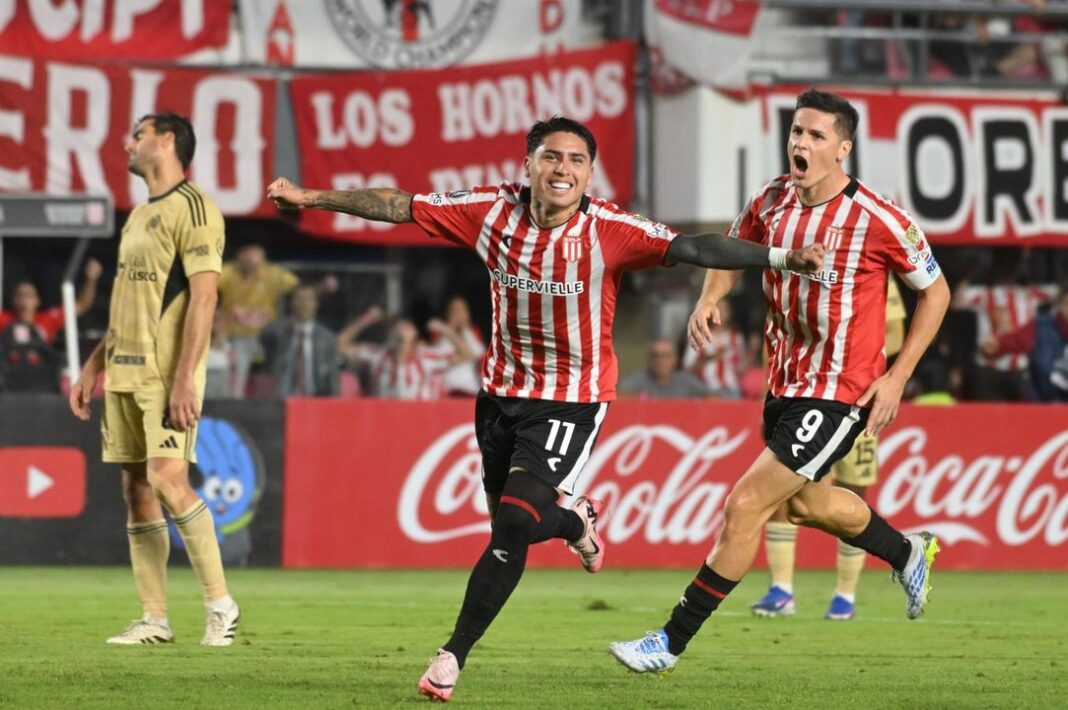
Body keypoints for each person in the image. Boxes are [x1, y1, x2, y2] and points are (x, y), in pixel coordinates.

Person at [267, 115, 824, 702]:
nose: (564, 170)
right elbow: (396, 203)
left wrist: (781, 257)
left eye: (577, 161)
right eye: (552, 158)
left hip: (571, 400)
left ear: (589, 173)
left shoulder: (610, 229)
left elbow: (693, 246)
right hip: (499, 396)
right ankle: (575, 521)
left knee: (512, 524)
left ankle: (451, 657)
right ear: (527, 165)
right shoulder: (488, 211)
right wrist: (311, 198)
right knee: (511, 529)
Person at [609, 89, 951, 674]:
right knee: (806, 506)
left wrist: (897, 379)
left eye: (817, 136)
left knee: (744, 505)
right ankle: (906, 551)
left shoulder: (878, 217)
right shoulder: (770, 198)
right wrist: (709, 300)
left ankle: (669, 641)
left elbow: (936, 291)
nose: (801, 143)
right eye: (797, 132)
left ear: (843, 149)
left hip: (841, 390)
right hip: (784, 385)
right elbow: (734, 251)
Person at [68, 112, 240, 646]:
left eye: (137, 134)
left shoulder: (195, 208)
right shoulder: (140, 214)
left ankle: (220, 606)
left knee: (168, 479)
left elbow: (205, 297)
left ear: (167, 141)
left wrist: (186, 377)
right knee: (136, 490)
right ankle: (155, 618)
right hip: (122, 370)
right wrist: (94, 365)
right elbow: (127, 301)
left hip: (166, 375)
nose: (128, 142)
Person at [750, 277, 907, 621]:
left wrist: (859, 353)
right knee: (784, 487)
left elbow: (895, 332)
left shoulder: (871, 269)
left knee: (854, 489)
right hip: (802, 400)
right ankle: (781, 589)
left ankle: (845, 595)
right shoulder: (797, 269)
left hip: (857, 397)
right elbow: (775, 336)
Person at [337, 306, 469, 400]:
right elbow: (340, 345)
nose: (401, 331)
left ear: (414, 334)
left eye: (406, 327)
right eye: (396, 328)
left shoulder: (425, 358)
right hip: (382, 422)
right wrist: (366, 319)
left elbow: (467, 355)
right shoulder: (377, 355)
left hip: (414, 423)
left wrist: (445, 330)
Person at [982, 286, 1068, 402]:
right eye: (1067, 303)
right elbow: (1011, 341)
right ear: (1061, 304)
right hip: (1043, 405)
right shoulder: (1041, 326)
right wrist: (995, 345)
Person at [260, 285, 340, 397]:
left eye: (308, 299)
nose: (304, 304)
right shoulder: (277, 332)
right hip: (282, 400)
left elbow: (332, 376)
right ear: (291, 303)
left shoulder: (327, 338)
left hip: (315, 398)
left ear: (316, 304)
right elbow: (264, 338)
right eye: (300, 299)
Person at [0, 258, 103, 344]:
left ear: (37, 301)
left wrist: (91, 280)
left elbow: (82, 305)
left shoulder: (48, 319)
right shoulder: (3, 319)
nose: (24, 300)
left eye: (29, 296)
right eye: (19, 296)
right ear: (13, 300)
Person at [681, 297, 747, 399]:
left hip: (732, 392)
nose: (720, 313)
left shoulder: (736, 338)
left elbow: (742, 367)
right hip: (706, 392)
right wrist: (710, 358)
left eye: (724, 309)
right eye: (717, 308)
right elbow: (688, 369)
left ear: (730, 313)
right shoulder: (698, 336)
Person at [619, 338, 708, 399]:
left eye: (665, 356)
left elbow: (712, 396)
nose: (660, 361)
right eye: (655, 356)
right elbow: (620, 395)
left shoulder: (685, 381)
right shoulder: (639, 380)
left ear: (675, 359)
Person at [431, 296, 484, 397]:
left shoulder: (472, 332)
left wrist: (465, 329)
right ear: (448, 313)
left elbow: (480, 356)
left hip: (471, 390)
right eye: (455, 310)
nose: (459, 314)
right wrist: (449, 330)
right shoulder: (440, 333)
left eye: (462, 310)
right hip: (448, 391)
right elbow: (441, 359)